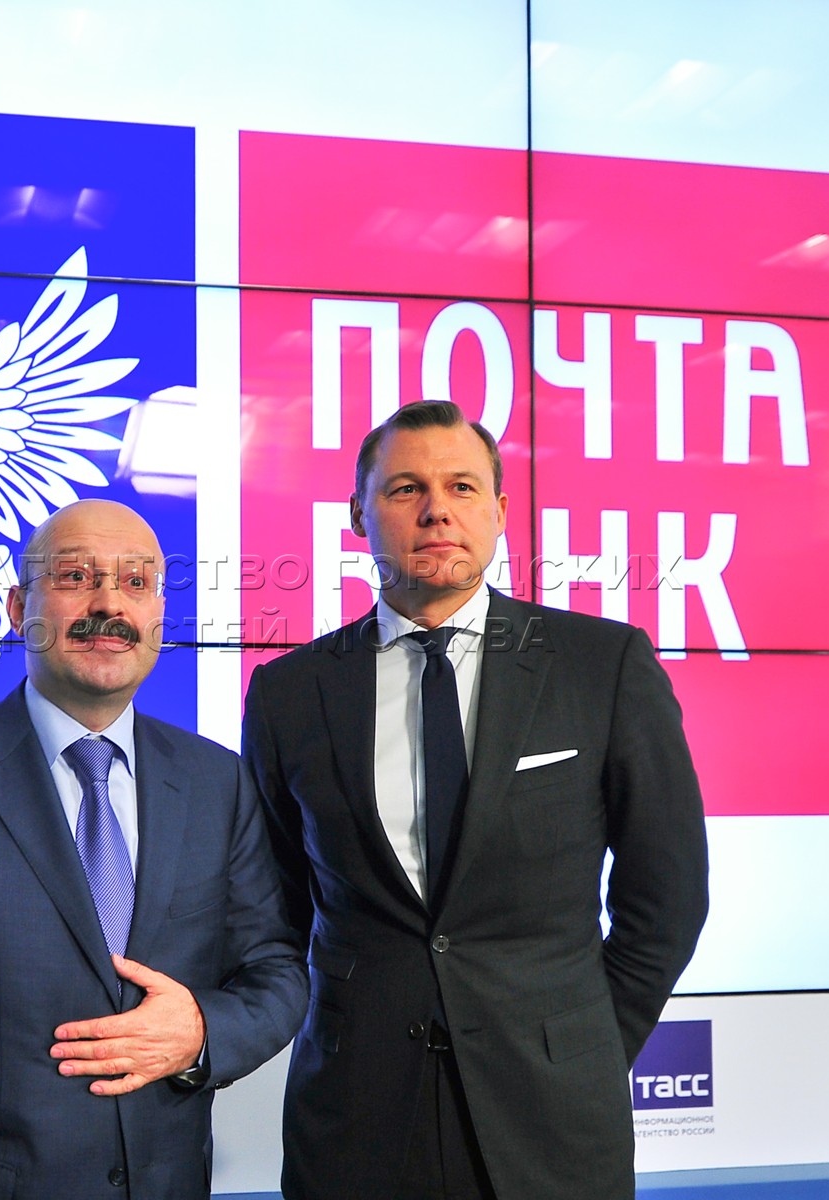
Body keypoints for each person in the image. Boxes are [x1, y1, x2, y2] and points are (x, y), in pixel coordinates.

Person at [242, 401, 709, 1199]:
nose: (437, 510)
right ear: (357, 516)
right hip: (354, 1121)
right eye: (405, 489)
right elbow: (275, 908)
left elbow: (666, 899)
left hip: (554, 1122)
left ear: (499, 512)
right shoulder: (289, 692)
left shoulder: (602, 665)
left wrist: (584, 1048)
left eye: (462, 487)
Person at [0, 499, 307, 1200]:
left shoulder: (217, 781)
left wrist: (202, 1031)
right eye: (76, 577)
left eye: (136, 583)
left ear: (158, 618)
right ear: (19, 608)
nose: (109, 604)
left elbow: (277, 973)